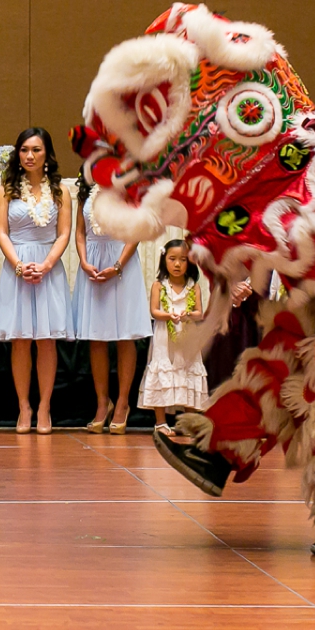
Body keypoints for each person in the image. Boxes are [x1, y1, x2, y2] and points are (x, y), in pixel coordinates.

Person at [0, 127, 72, 434]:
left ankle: (44, 408)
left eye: (36, 150)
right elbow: (1, 231)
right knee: (21, 340)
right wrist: (19, 265)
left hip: (48, 266)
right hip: (18, 266)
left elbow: (64, 232)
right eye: (24, 150)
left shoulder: (60, 190)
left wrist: (47, 264)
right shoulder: (6, 189)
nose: (29, 156)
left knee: (46, 340)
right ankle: (24, 406)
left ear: (47, 154)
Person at [72, 178, 152, 434]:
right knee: (96, 337)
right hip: (93, 264)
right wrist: (84, 261)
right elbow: (80, 231)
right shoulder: (85, 190)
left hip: (121, 264)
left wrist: (118, 265)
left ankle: (122, 403)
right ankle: (101, 403)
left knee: (124, 336)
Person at [139, 240, 208, 436]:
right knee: (163, 370)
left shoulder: (193, 287)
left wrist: (187, 315)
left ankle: (188, 422)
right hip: (164, 336)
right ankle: (161, 422)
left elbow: (199, 313)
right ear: (164, 260)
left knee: (188, 371)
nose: (177, 264)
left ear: (190, 263)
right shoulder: (159, 286)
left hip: (187, 335)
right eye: (172, 259)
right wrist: (168, 316)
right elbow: (154, 311)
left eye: (183, 260)